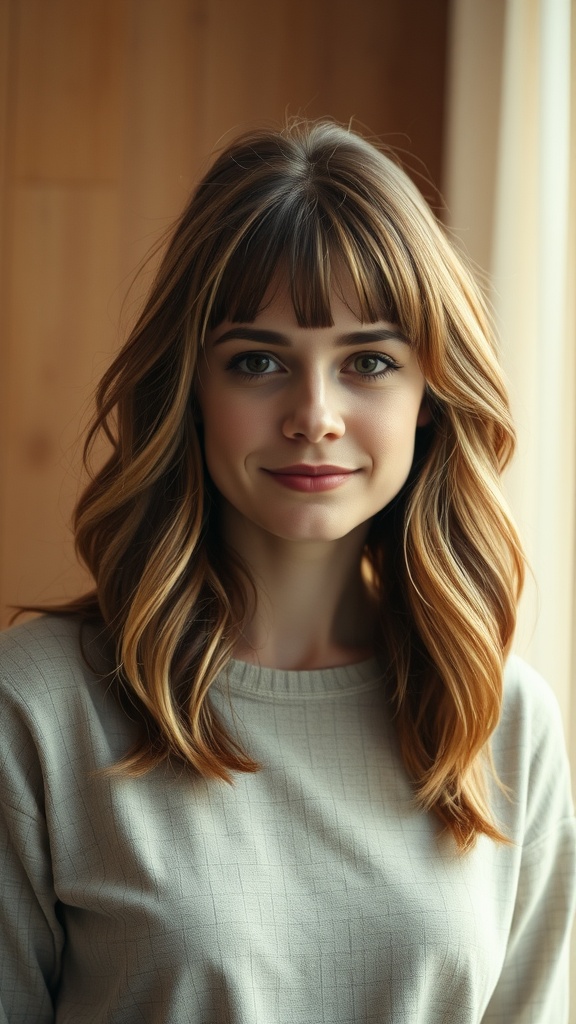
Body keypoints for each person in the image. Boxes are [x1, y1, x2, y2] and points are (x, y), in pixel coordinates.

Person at [0, 120, 574, 1024]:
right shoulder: (36, 708)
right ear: (191, 386)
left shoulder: (504, 721)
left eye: (370, 363)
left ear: (432, 396)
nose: (315, 416)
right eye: (258, 361)